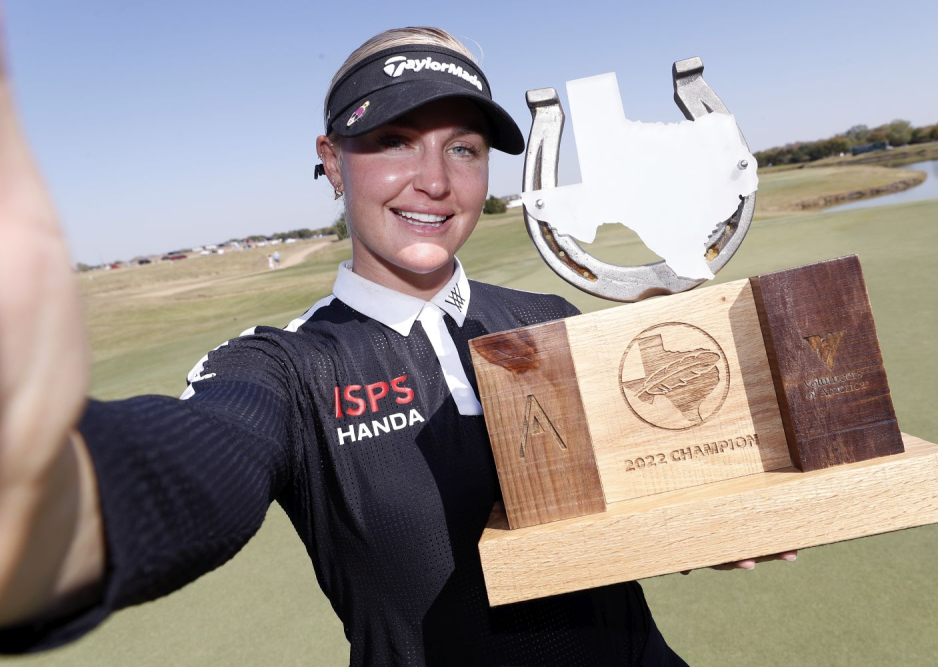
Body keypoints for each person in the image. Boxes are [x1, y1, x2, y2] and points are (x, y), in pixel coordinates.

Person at [0, 19, 793, 666]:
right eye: (393, 140)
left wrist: (697, 516)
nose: (435, 180)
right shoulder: (284, 368)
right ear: (332, 164)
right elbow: (202, 459)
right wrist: (38, 495)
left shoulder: (550, 314)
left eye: (464, 148)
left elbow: (633, 496)